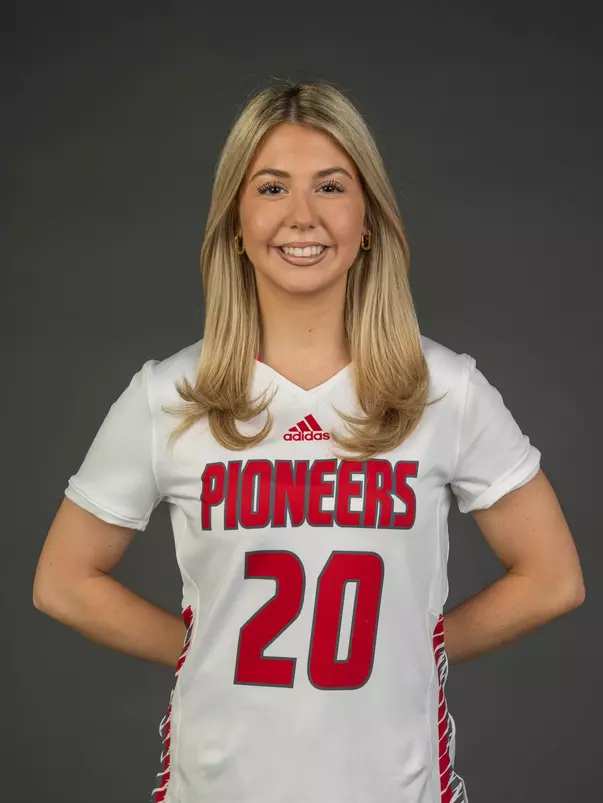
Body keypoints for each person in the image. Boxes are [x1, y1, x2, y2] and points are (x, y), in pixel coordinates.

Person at [33, 80, 585, 803]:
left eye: (330, 186)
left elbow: (551, 578)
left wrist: (413, 648)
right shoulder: (169, 394)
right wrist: (208, 648)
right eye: (271, 188)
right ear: (235, 219)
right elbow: (63, 581)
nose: (302, 216)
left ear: (368, 218)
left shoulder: (443, 389)